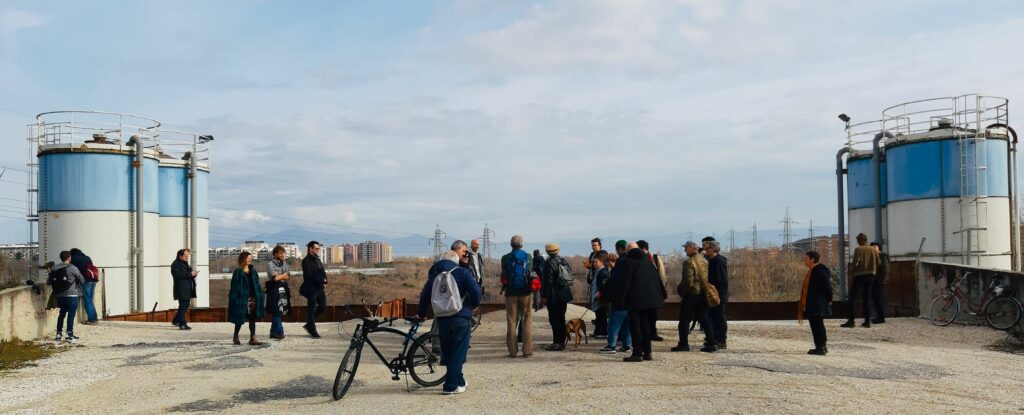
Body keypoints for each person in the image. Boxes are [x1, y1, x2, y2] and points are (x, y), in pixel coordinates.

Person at [417, 250, 481, 395]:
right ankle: (450, 386)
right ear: (456, 261)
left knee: (449, 351)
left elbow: (424, 296)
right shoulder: (463, 273)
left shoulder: (434, 275)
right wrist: (475, 304)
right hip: (461, 317)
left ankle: (460, 381)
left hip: (442, 318)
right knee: (458, 352)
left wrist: (421, 314)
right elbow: (475, 291)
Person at [618, 243, 666, 362]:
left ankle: (637, 353)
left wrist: (619, 300)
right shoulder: (647, 261)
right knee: (646, 325)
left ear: (628, 251)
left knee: (635, 326)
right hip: (650, 299)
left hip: (635, 300)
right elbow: (657, 279)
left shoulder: (628, 262)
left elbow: (624, 282)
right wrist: (662, 295)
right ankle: (647, 352)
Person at [672, 241, 717, 353]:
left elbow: (688, 281)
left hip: (691, 294)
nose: (684, 250)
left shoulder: (689, 262)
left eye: (686, 248)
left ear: (692, 248)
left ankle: (683, 344)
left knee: (684, 320)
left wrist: (681, 291)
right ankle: (711, 343)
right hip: (703, 294)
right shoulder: (704, 260)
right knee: (705, 318)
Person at [500, 235, 535, 357]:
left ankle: (513, 351)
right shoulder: (529, 257)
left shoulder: (505, 258)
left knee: (511, 321)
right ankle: (527, 350)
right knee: (527, 319)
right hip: (526, 292)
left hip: (510, 293)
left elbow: (503, 276)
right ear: (522, 244)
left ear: (511, 244)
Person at [594, 251, 631, 354]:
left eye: (609, 261)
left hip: (618, 302)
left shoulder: (615, 272)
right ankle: (627, 345)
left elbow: (610, 285)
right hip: (630, 302)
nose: (608, 264)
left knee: (613, 325)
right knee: (627, 326)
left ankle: (611, 346)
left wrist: (602, 292)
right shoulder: (629, 269)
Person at [541, 243, 573, 351]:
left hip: (553, 296)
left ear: (547, 251)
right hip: (564, 293)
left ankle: (556, 343)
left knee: (554, 320)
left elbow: (548, 282)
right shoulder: (563, 261)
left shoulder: (548, 263)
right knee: (561, 318)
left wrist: (544, 296)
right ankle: (561, 342)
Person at [800, 250, 833, 355]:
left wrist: (828, 299)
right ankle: (819, 346)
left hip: (818, 303)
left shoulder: (819, 271)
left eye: (806, 258)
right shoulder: (813, 271)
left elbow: (827, 287)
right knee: (815, 325)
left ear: (812, 259)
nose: (804, 260)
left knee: (818, 325)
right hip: (813, 303)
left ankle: (822, 347)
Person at [842, 233, 878, 328]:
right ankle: (867, 322)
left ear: (859, 240)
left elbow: (854, 263)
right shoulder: (874, 249)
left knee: (852, 298)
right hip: (871, 276)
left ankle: (851, 321)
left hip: (859, 276)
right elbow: (878, 262)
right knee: (866, 299)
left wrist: (855, 269)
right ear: (866, 239)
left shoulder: (858, 249)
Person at [229, 252, 265, 346]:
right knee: (240, 319)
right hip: (242, 299)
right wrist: (234, 298)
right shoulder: (238, 271)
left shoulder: (253, 270)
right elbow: (234, 286)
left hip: (253, 298)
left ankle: (253, 338)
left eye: (250, 258)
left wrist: (260, 294)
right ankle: (236, 335)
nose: (249, 260)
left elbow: (257, 283)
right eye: (247, 258)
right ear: (242, 259)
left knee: (252, 318)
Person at [50, 251, 85, 343]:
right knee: (71, 314)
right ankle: (69, 334)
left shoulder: (54, 268)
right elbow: (82, 280)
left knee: (62, 314)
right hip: (71, 294)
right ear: (69, 258)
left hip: (59, 295)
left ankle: (58, 333)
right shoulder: (73, 268)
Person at [636, 240, 666, 341]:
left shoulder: (655, 258)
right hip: (641, 292)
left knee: (653, 314)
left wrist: (661, 290)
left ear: (643, 249)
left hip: (654, 291)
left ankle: (653, 332)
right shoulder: (636, 259)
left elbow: (662, 274)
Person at [300, 241, 327, 338]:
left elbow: (322, 272)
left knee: (323, 307)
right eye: (316, 248)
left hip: (320, 288)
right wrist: (320, 281)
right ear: (310, 249)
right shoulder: (306, 261)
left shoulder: (318, 259)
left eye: (318, 248)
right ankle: (313, 329)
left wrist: (325, 281)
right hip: (311, 288)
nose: (318, 250)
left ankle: (309, 324)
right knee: (312, 309)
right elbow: (309, 276)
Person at [705, 240, 729, 349]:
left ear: (714, 249)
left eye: (708, 248)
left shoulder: (719, 261)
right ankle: (715, 338)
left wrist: (718, 295)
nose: (706, 249)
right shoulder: (711, 260)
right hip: (713, 294)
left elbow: (722, 280)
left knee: (720, 318)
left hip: (718, 295)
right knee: (713, 317)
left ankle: (721, 340)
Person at [265, 245, 291, 340]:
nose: (282, 255)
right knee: (276, 310)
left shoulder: (284, 263)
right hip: (273, 289)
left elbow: (287, 276)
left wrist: (280, 276)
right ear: (275, 254)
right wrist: (282, 276)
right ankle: (280, 332)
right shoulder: (270, 264)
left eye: (283, 253)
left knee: (280, 310)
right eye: (280, 253)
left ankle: (272, 332)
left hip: (283, 289)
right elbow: (274, 278)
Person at [69, 248, 99, 325]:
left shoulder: (74, 258)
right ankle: (95, 318)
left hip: (86, 281)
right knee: (90, 299)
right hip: (93, 280)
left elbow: (73, 270)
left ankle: (91, 319)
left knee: (87, 300)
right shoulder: (87, 257)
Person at [171, 248, 198, 330]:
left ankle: (176, 320)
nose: (187, 257)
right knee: (183, 306)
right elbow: (178, 275)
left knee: (185, 305)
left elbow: (189, 273)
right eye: (185, 256)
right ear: (180, 256)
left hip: (187, 288)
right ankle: (182, 324)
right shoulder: (175, 264)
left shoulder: (185, 263)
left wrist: (194, 274)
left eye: (187, 256)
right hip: (181, 288)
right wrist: (190, 274)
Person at [587, 238, 608, 338]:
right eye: (592, 245)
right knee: (597, 310)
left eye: (595, 245)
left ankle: (602, 331)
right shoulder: (592, 254)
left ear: (600, 245)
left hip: (600, 279)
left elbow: (600, 264)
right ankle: (597, 330)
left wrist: (590, 265)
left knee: (601, 310)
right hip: (593, 279)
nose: (593, 247)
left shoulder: (603, 253)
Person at [870, 242, 889, 324]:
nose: (873, 249)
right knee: (875, 299)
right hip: (874, 281)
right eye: (872, 247)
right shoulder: (873, 257)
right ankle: (878, 316)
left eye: (875, 247)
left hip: (879, 281)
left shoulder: (882, 256)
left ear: (879, 248)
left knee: (878, 299)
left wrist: (881, 280)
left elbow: (885, 269)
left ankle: (881, 318)